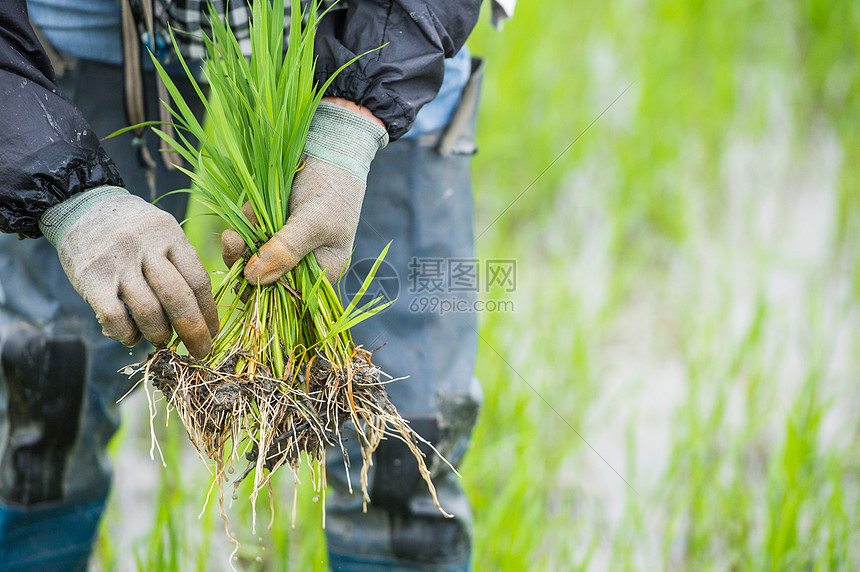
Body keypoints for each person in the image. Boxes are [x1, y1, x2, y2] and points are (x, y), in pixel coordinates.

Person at [0, 1, 512, 570]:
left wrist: (354, 121)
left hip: (385, 34)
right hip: (91, 26)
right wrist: (66, 195)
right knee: (45, 397)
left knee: (404, 442)